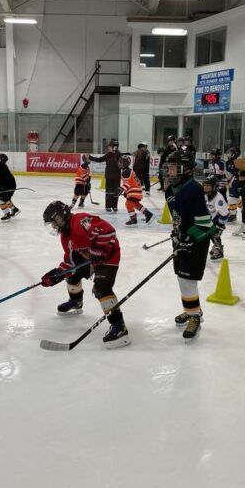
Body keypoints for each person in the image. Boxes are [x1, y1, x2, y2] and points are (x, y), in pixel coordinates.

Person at [41, 201, 130, 348]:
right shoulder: (65, 236)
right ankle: (76, 302)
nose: (54, 226)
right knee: (71, 274)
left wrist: (100, 250)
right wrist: (57, 274)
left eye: (54, 222)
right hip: (91, 257)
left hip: (108, 256)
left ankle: (119, 326)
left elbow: (108, 231)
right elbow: (70, 262)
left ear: (62, 216)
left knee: (101, 289)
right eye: (51, 224)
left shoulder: (81, 221)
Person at [164, 150, 217, 341]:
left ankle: (195, 317)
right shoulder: (170, 189)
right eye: (168, 167)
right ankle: (192, 309)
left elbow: (205, 224)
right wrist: (178, 235)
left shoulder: (193, 189)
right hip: (181, 239)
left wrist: (189, 239)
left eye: (172, 166)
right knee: (181, 276)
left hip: (197, 241)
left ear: (185, 168)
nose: (168, 171)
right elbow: (178, 218)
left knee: (187, 279)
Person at [119, 155, 154, 227]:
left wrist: (120, 190)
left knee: (128, 204)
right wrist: (125, 192)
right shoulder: (128, 170)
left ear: (125, 163)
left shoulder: (125, 172)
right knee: (134, 204)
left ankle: (133, 219)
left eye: (122, 162)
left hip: (134, 191)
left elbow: (127, 184)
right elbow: (130, 183)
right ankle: (148, 214)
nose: (120, 163)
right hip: (138, 191)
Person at [89, 140, 122, 212]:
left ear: (114, 147)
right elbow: (99, 159)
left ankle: (114, 206)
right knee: (109, 192)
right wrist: (90, 157)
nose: (108, 148)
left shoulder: (119, 155)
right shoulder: (108, 154)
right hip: (109, 176)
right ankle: (108, 206)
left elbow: (123, 164)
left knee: (116, 191)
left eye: (110, 146)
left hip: (117, 177)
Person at [202, 174, 229, 260]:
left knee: (214, 233)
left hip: (219, 220)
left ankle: (219, 250)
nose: (206, 187)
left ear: (214, 186)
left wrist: (219, 225)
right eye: (205, 185)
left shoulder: (219, 198)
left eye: (208, 185)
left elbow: (224, 214)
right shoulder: (205, 195)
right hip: (210, 218)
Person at [0, 153, 20, 221]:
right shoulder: (3, 167)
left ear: (1, 160)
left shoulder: (0, 169)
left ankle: (7, 214)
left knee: (1, 199)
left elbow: (0, 181)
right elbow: (2, 181)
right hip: (10, 185)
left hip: (9, 186)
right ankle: (14, 209)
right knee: (6, 199)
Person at [224, 146, 241, 223]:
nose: (228, 154)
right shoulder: (228, 162)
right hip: (232, 183)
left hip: (237, 183)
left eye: (230, 153)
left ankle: (234, 214)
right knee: (232, 199)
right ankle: (233, 215)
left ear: (234, 154)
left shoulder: (238, 162)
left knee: (232, 199)